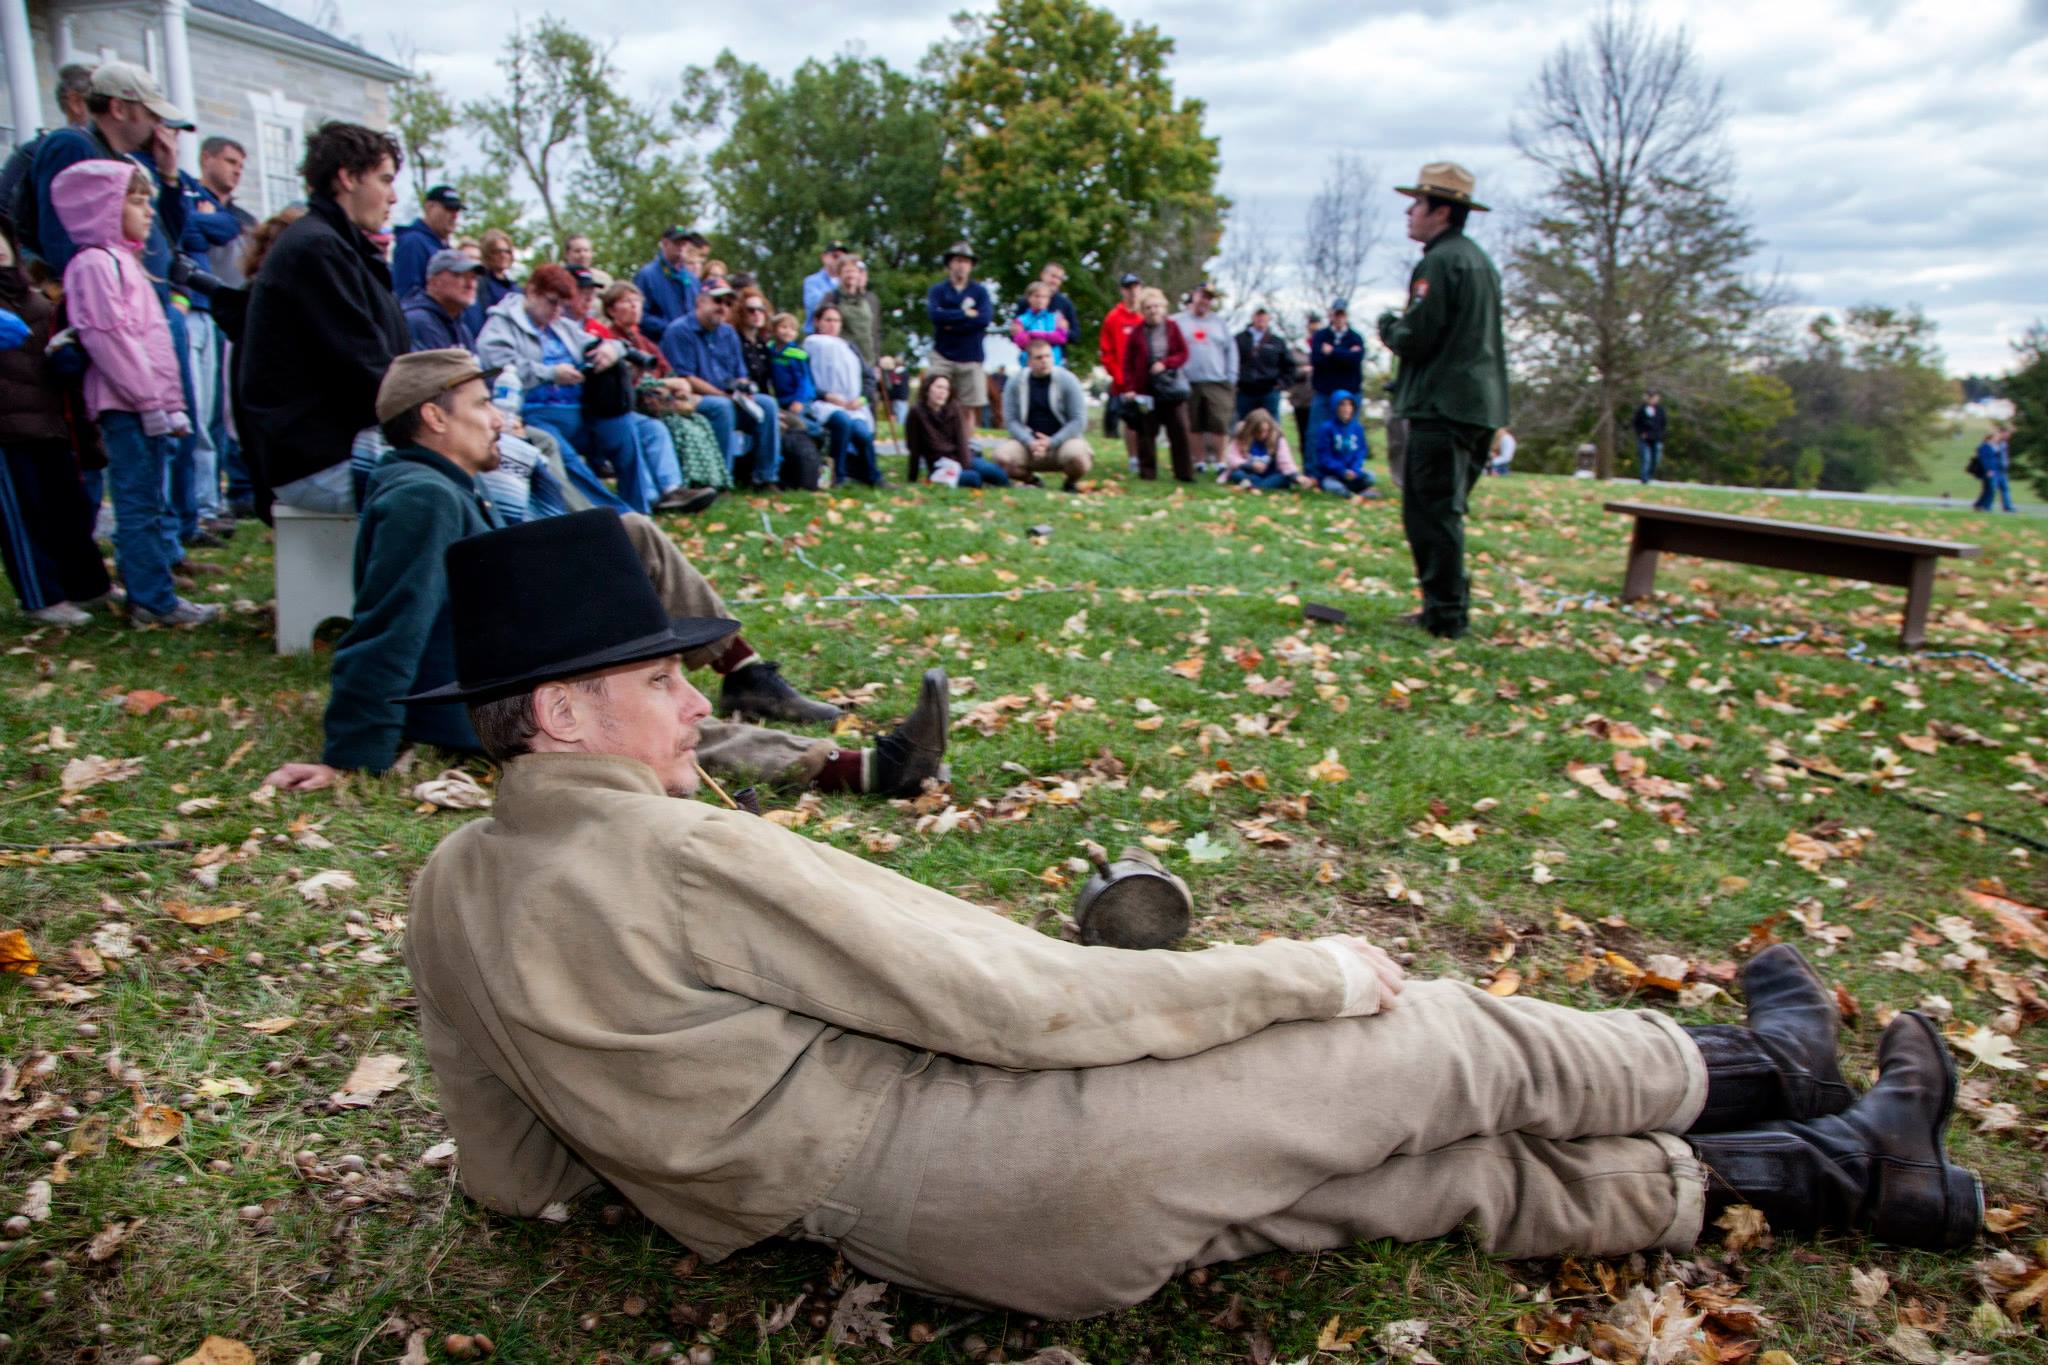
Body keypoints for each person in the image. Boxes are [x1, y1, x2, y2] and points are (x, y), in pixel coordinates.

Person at [403, 514, 1983, 1321]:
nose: (694, 706)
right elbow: (1015, 1005)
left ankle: (1841, 1176)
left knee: (1422, 1177)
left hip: (968, 1242)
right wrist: (1298, 970)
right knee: (1436, 1045)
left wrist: (641, 1184)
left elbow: (509, 1170)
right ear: (555, 713)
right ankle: (1755, 1068)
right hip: (1021, 1154)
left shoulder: (455, 888)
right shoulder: (678, 857)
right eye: (662, 678)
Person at [260, 354, 949, 795]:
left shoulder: (442, 484)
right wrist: (351, 754)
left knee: (628, 533)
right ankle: (864, 767)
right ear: (434, 417)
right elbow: (389, 624)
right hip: (487, 693)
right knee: (633, 715)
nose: (498, 419)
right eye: (481, 408)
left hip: (510, 647)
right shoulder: (421, 496)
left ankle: (746, 676)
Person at [54, 160, 215, 627]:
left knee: (151, 499)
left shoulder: (128, 262)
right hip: (126, 406)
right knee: (138, 502)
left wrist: (173, 407)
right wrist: (150, 405)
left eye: (148, 201)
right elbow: (110, 339)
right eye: (137, 200)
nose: (148, 212)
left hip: (147, 406)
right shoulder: (95, 264)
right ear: (104, 206)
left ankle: (151, 587)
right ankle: (152, 601)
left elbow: (155, 344)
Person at [240, 122, 409, 515]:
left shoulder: (336, 247)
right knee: (470, 473)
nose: (393, 196)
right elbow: (367, 373)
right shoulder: (316, 249)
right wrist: (447, 419)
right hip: (319, 458)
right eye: (385, 180)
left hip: (341, 444)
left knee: (512, 455)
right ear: (348, 177)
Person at [1376, 162, 1509, 641]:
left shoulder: (1441, 260)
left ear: (1442, 211)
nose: (1410, 212)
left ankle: (1446, 614)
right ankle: (1445, 606)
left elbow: (1418, 335)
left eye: (1418, 204)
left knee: (1430, 511)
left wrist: (1390, 325)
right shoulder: (1477, 261)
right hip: (1477, 404)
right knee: (1444, 510)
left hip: (1442, 404)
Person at [476, 263, 694, 516]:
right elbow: (500, 367)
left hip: (582, 410)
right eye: (551, 302)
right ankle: (617, 517)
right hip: (533, 413)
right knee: (561, 453)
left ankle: (639, 511)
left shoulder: (561, 326)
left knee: (626, 430)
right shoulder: (500, 326)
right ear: (532, 291)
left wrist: (611, 351)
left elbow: (610, 344)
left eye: (562, 306)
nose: (557, 311)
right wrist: (551, 374)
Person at [0, 216, 113, 625]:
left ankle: (88, 586)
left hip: (49, 423)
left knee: (67, 506)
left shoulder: (34, 299)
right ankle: (40, 598)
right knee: (22, 516)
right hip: (6, 432)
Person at [26, 62, 189, 278]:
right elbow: (62, 238)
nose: (159, 124)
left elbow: (163, 239)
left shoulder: (126, 163)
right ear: (118, 109)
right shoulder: (73, 145)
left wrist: (168, 174)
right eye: (151, 113)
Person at [660, 278, 783, 489]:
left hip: (729, 396)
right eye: (717, 301)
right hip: (691, 399)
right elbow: (686, 377)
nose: (723, 307)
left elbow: (740, 373)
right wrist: (723, 396)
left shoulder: (728, 334)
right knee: (722, 408)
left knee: (767, 404)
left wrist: (744, 389)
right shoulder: (680, 330)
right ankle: (721, 479)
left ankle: (765, 477)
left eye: (728, 304)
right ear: (700, 301)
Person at [995, 340, 1091, 490]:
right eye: (1039, 358)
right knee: (1001, 458)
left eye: (1048, 356)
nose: (1044, 361)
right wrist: (1029, 441)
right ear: (1029, 361)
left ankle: (1070, 483)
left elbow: (1078, 421)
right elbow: (1011, 421)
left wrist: (1052, 442)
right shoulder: (1015, 383)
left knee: (1080, 459)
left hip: (1063, 442)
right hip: (1028, 444)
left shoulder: (1068, 380)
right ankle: (1032, 481)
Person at [1119, 286, 1192, 482]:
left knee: (1180, 430)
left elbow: (1183, 353)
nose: (1153, 310)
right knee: (1146, 432)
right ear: (1142, 310)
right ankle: (1148, 473)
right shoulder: (1136, 333)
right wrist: (1130, 389)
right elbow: (1128, 364)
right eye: (1149, 307)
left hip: (1170, 388)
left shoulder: (1172, 328)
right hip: (1146, 390)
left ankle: (1184, 473)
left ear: (1164, 307)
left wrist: (1165, 363)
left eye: (1157, 306)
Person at [803, 304, 882, 487]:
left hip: (853, 405)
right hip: (823, 404)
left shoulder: (849, 347)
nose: (833, 325)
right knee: (842, 422)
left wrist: (862, 399)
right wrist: (826, 395)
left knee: (863, 434)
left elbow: (868, 377)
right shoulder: (810, 346)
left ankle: (873, 476)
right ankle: (836, 476)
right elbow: (805, 380)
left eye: (836, 321)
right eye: (828, 320)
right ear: (817, 322)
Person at [1173, 285, 1238, 473]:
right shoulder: (1177, 321)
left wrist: (1231, 376)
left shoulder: (1220, 323)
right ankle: (1199, 462)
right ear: (1193, 296)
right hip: (1187, 380)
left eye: (1209, 298)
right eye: (1202, 296)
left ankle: (1220, 462)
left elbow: (1231, 351)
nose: (1205, 301)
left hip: (1217, 380)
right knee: (1194, 424)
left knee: (1219, 423)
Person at [905, 372, 1008, 489]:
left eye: (946, 389)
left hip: (964, 457)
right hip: (941, 464)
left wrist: (965, 466)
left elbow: (962, 440)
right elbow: (914, 447)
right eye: (939, 387)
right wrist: (912, 478)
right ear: (928, 389)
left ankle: (1000, 485)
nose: (942, 392)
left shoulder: (954, 407)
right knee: (973, 478)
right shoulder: (916, 412)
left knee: (994, 473)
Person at [924, 242, 992, 415]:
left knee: (967, 409)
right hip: (942, 355)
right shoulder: (938, 291)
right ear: (950, 264)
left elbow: (984, 319)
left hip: (971, 357)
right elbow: (935, 316)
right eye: (958, 260)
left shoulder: (980, 292)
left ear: (971, 266)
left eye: (966, 262)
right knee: (933, 400)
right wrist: (964, 314)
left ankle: (965, 442)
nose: (962, 265)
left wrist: (950, 322)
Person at [819, 255, 882, 392]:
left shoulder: (870, 299)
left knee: (868, 400)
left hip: (867, 359)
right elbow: (821, 328)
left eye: (854, 271)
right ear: (839, 274)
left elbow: (875, 331)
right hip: (842, 360)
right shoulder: (831, 298)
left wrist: (877, 362)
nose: (850, 275)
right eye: (846, 271)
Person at [1098, 273, 1144, 462]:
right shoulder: (1113, 318)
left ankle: (1146, 456)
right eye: (1128, 288)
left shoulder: (1145, 315)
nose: (1132, 292)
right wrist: (1120, 379)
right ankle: (1133, 458)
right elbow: (1107, 353)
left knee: (1146, 419)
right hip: (1123, 380)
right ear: (1122, 291)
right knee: (1130, 418)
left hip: (1145, 378)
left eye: (1135, 287)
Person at [633, 225, 708, 339]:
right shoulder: (647, 275)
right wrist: (671, 328)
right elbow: (640, 315)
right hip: (660, 342)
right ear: (665, 243)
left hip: (689, 343)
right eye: (677, 243)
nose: (682, 248)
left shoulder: (692, 279)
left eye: (685, 244)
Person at [403, 249, 484, 353]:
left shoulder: (462, 328)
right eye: (459, 275)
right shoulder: (417, 321)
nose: (470, 285)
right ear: (434, 281)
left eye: (474, 278)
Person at [391, 184, 464, 298]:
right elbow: (407, 294)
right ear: (429, 207)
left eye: (457, 210)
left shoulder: (444, 247)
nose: (455, 216)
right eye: (449, 208)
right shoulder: (413, 242)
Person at [1309, 300, 1366, 441]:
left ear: (1346, 316)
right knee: (1316, 433)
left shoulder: (1355, 337)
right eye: (1337, 314)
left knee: (1348, 434)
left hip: (1350, 393)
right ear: (1331, 315)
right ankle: (1314, 464)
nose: (1339, 318)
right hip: (1324, 392)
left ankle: (1347, 463)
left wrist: (1332, 352)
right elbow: (1317, 360)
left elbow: (1355, 359)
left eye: (1342, 315)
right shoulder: (1320, 336)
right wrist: (1346, 354)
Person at [1218, 408, 1305, 492]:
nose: (1263, 435)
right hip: (1250, 473)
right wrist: (1251, 465)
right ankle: (1259, 485)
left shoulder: (1277, 437)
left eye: (1266, 431)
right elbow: (1232, 458)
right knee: (1237, 474)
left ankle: (1253, 485)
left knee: (1283, 478)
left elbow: (1285, 462)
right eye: (1259, 432)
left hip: (1270, 473)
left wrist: (1296, 476)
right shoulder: (1242, 435)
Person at [1310, 391, 1375, 499]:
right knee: (1331, 485)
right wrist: (1342, 470)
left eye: (1350, 404)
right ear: (1334, 406)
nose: (1346, 408)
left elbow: (1361, 451)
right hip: (1332, 475)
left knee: (1371, 477)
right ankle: (1350, 492)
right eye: (1342, 404)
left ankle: (1351, 490)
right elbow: (1324, 457)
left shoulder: (1357, 428)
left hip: (1353, 474)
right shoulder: (1326, 428)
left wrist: (1355, 469)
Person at [1234, 306, 1288, 424]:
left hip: (1269, 391)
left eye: (1263, 315)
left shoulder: (1277, 341)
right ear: (1253, 317)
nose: (1261, 318)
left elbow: (1288, 365)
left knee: (1272, 428)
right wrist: (1236, 383)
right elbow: (1232, 362)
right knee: (1244, 427)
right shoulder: (1239, 339)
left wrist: (1282, 384)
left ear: (1269, 318)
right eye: (1258, 315)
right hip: (1245, 392)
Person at [464, 228, 519, 336]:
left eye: (507, 251)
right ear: (487, 254)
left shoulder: (515, 288)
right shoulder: (478, 284)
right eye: (497, 251)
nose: (503, 255)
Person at [1009, 280, 1070, 369]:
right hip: (1029, 367)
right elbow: (1021, 342)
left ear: (1049, 299)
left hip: (1055, 365)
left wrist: (1032, 334)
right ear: (1029, 298)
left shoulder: (1056, 318)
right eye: (1036, 296)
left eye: (1044, 297)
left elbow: (1061, 338)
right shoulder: (1020, 320)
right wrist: (1049, 337)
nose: (1040, 300)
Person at [1287, 311, 1319, 455]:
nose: (1314, 327)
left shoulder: (1325, 346)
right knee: (1304, 433)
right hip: (1301, 398)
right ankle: (1307, 468)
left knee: (1319, 434)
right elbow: (1289, 371)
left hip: (1320, 396)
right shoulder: (1297, 348)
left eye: (1316, 324)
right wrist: (1303, 370)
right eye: (1311, 324)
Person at [802, 242, 847, 332]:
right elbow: (815, 305)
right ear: (824, 257)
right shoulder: (812, 281)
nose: (839, 261)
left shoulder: (847, 283)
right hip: (816, 333)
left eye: (843, 258)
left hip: (841, 335)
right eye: (835, 256)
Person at [1971, 426, 2015, 513]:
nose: (1998, 438)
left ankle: (1980, 505)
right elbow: (1984, 460)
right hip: (1991, 471)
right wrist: (1988, 470)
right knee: (1991, 489)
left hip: (1998, 471)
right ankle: (1987, 507)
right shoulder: (1984, 447)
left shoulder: (1997, 446)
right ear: (1991, 438)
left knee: (1990, 489)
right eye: (1996, 437)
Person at [1039, 262, 1080, 346]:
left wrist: (1065, 331)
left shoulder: (1066, 304)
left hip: (1055, 356)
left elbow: (1076, 336)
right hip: (1031, 355)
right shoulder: (1027, 300)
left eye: (1059, 278)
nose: (1055, 281)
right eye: (1053, 276)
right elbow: (1014, 333)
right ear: (1042, 275)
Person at [1632, 390, 1667, 484]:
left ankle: (1649, 476)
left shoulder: (1660, 410)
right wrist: (1641, 433)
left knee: (1656, 460)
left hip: (1657, 438)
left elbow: (1663, 424)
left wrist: (1661, 435)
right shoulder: (1641, 410)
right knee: (1646, 459)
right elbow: (1636, 423)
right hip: (1644, 439)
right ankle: (1644, 479)